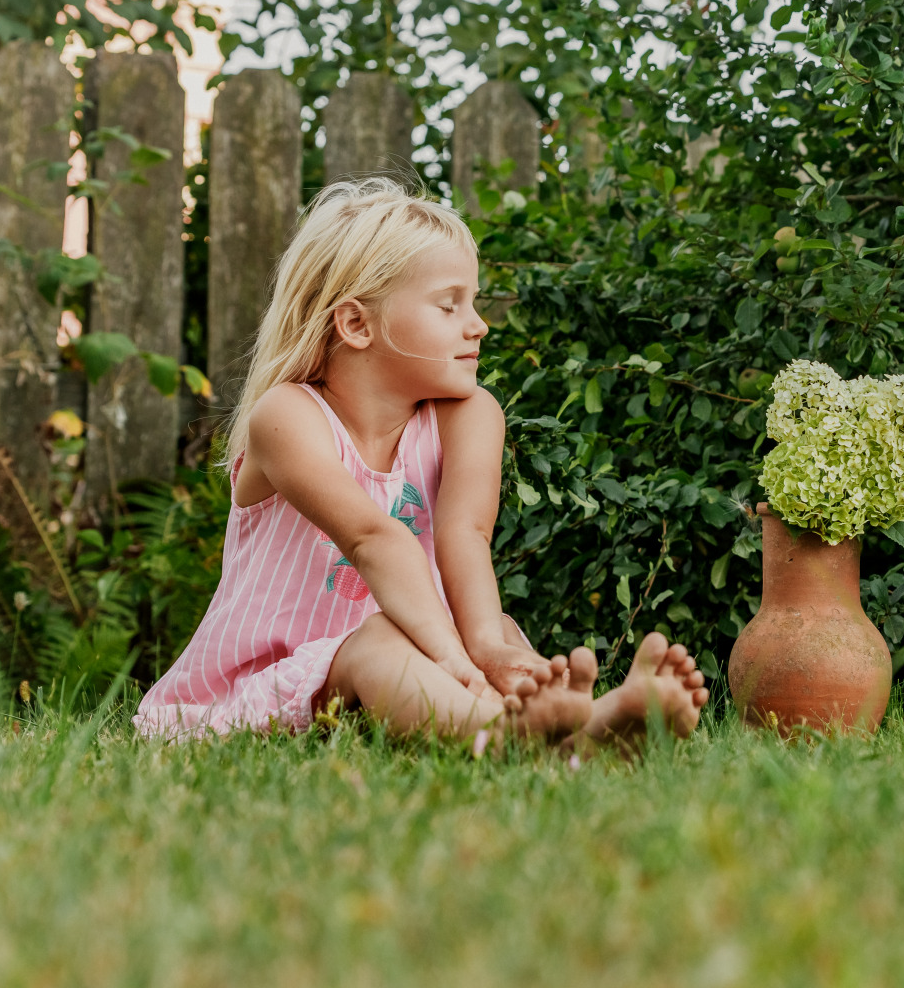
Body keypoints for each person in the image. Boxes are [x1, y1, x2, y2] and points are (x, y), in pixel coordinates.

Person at [135, 179, 708, 753]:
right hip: (270, 685)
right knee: (379, 641)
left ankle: (583, 732)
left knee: (501, 635)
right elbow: (375, 539)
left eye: (475, 301)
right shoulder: (286, 416)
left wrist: (488, 649)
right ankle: (506, 733)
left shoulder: (470, 416)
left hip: (412, 661)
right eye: (449, 303)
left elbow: (466, 535)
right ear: (357, 324)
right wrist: (459, 664)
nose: (478, 324)